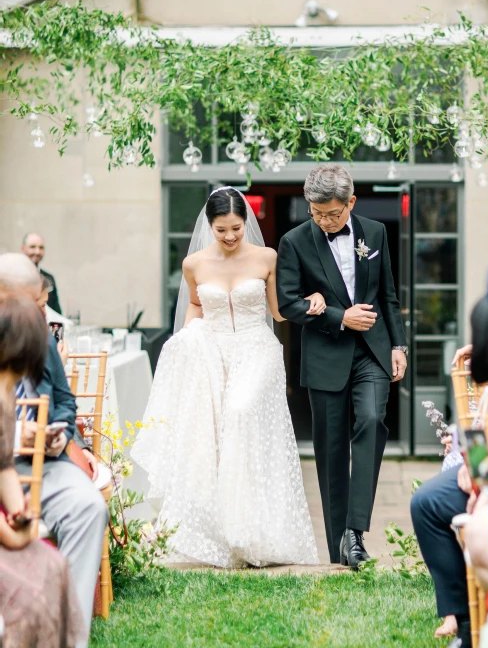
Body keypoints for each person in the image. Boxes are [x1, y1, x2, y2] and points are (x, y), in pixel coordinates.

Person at [132, 187, 323, 567]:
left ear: (245, 222)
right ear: (210, 226)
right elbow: (196, 305)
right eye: (222, 230)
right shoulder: (194, 264)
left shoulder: (266, 257)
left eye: (236, 228)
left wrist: (311, 300)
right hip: (213, 350)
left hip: (257, 348)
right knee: (214, 438)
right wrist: (185, 340)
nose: (231, 236)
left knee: (239, 412)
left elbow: (279, 311)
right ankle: (223, 534)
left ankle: (251, 531)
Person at [276, 164, 408, 567]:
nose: (324, 220)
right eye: (317, 213)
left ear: (351, 202)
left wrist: (399, 343)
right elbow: (287, 303)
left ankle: (355, 530)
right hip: (325, 356)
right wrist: (337, 316)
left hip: (372, 350)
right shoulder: (294, 242)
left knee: (371, 420)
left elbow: (387, 294)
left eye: (332, 213)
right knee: (330, 451)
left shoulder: (376, 233)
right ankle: (342, 550)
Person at [0, 253, 107, 647]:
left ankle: (68, 638)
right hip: (5, 465)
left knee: (88, 507)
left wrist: (60, 436)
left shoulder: (39, 333)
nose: (38, 316)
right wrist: (15, 436)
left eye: (39, 305)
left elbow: (64, 400)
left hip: (44, 462)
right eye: (28, 305)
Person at [21, 231, 62, 314]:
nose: (37, 252)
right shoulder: (13, 277)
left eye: (41, 248)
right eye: (32, 247)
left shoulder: (49, 278)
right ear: (23, 248)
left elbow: (57, 311)